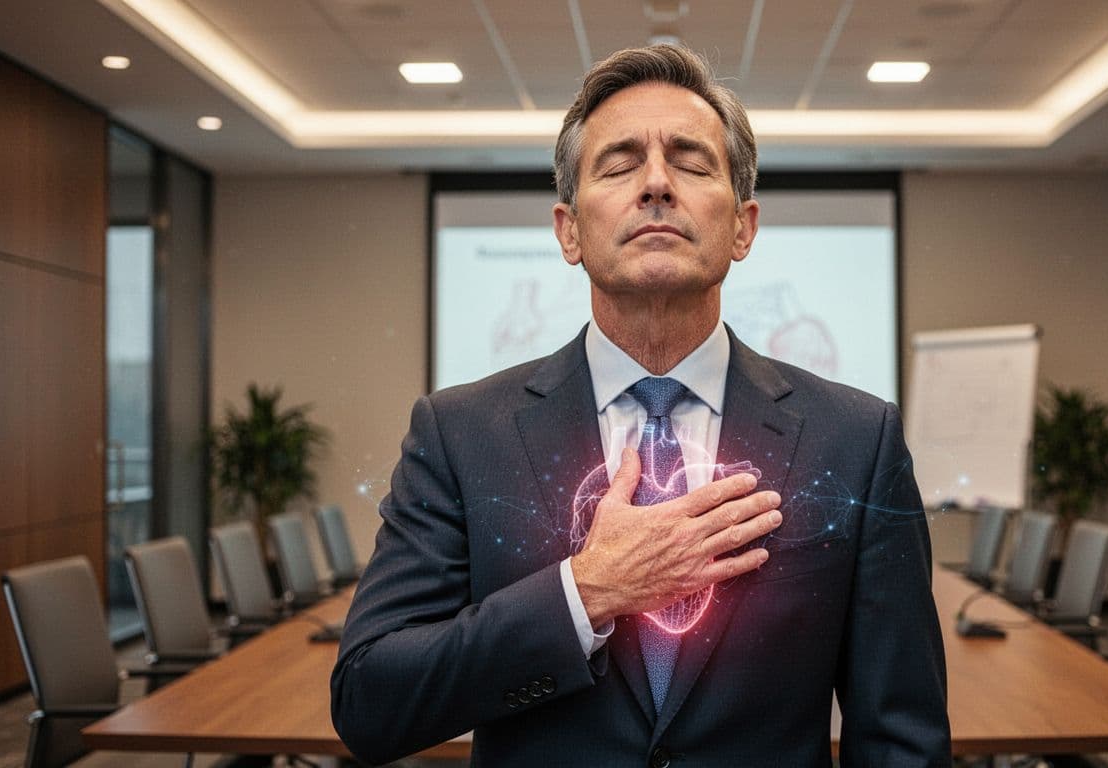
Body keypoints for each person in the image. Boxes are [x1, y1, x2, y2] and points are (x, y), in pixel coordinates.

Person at [332, 44, 949, 767]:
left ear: (743, 226)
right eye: (620, 164)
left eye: (690, 162)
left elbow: (900, 735)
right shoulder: (459, 434)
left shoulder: (857, 438)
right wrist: (585, 594)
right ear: (569, 230)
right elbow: (371, 701)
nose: (656, 183)